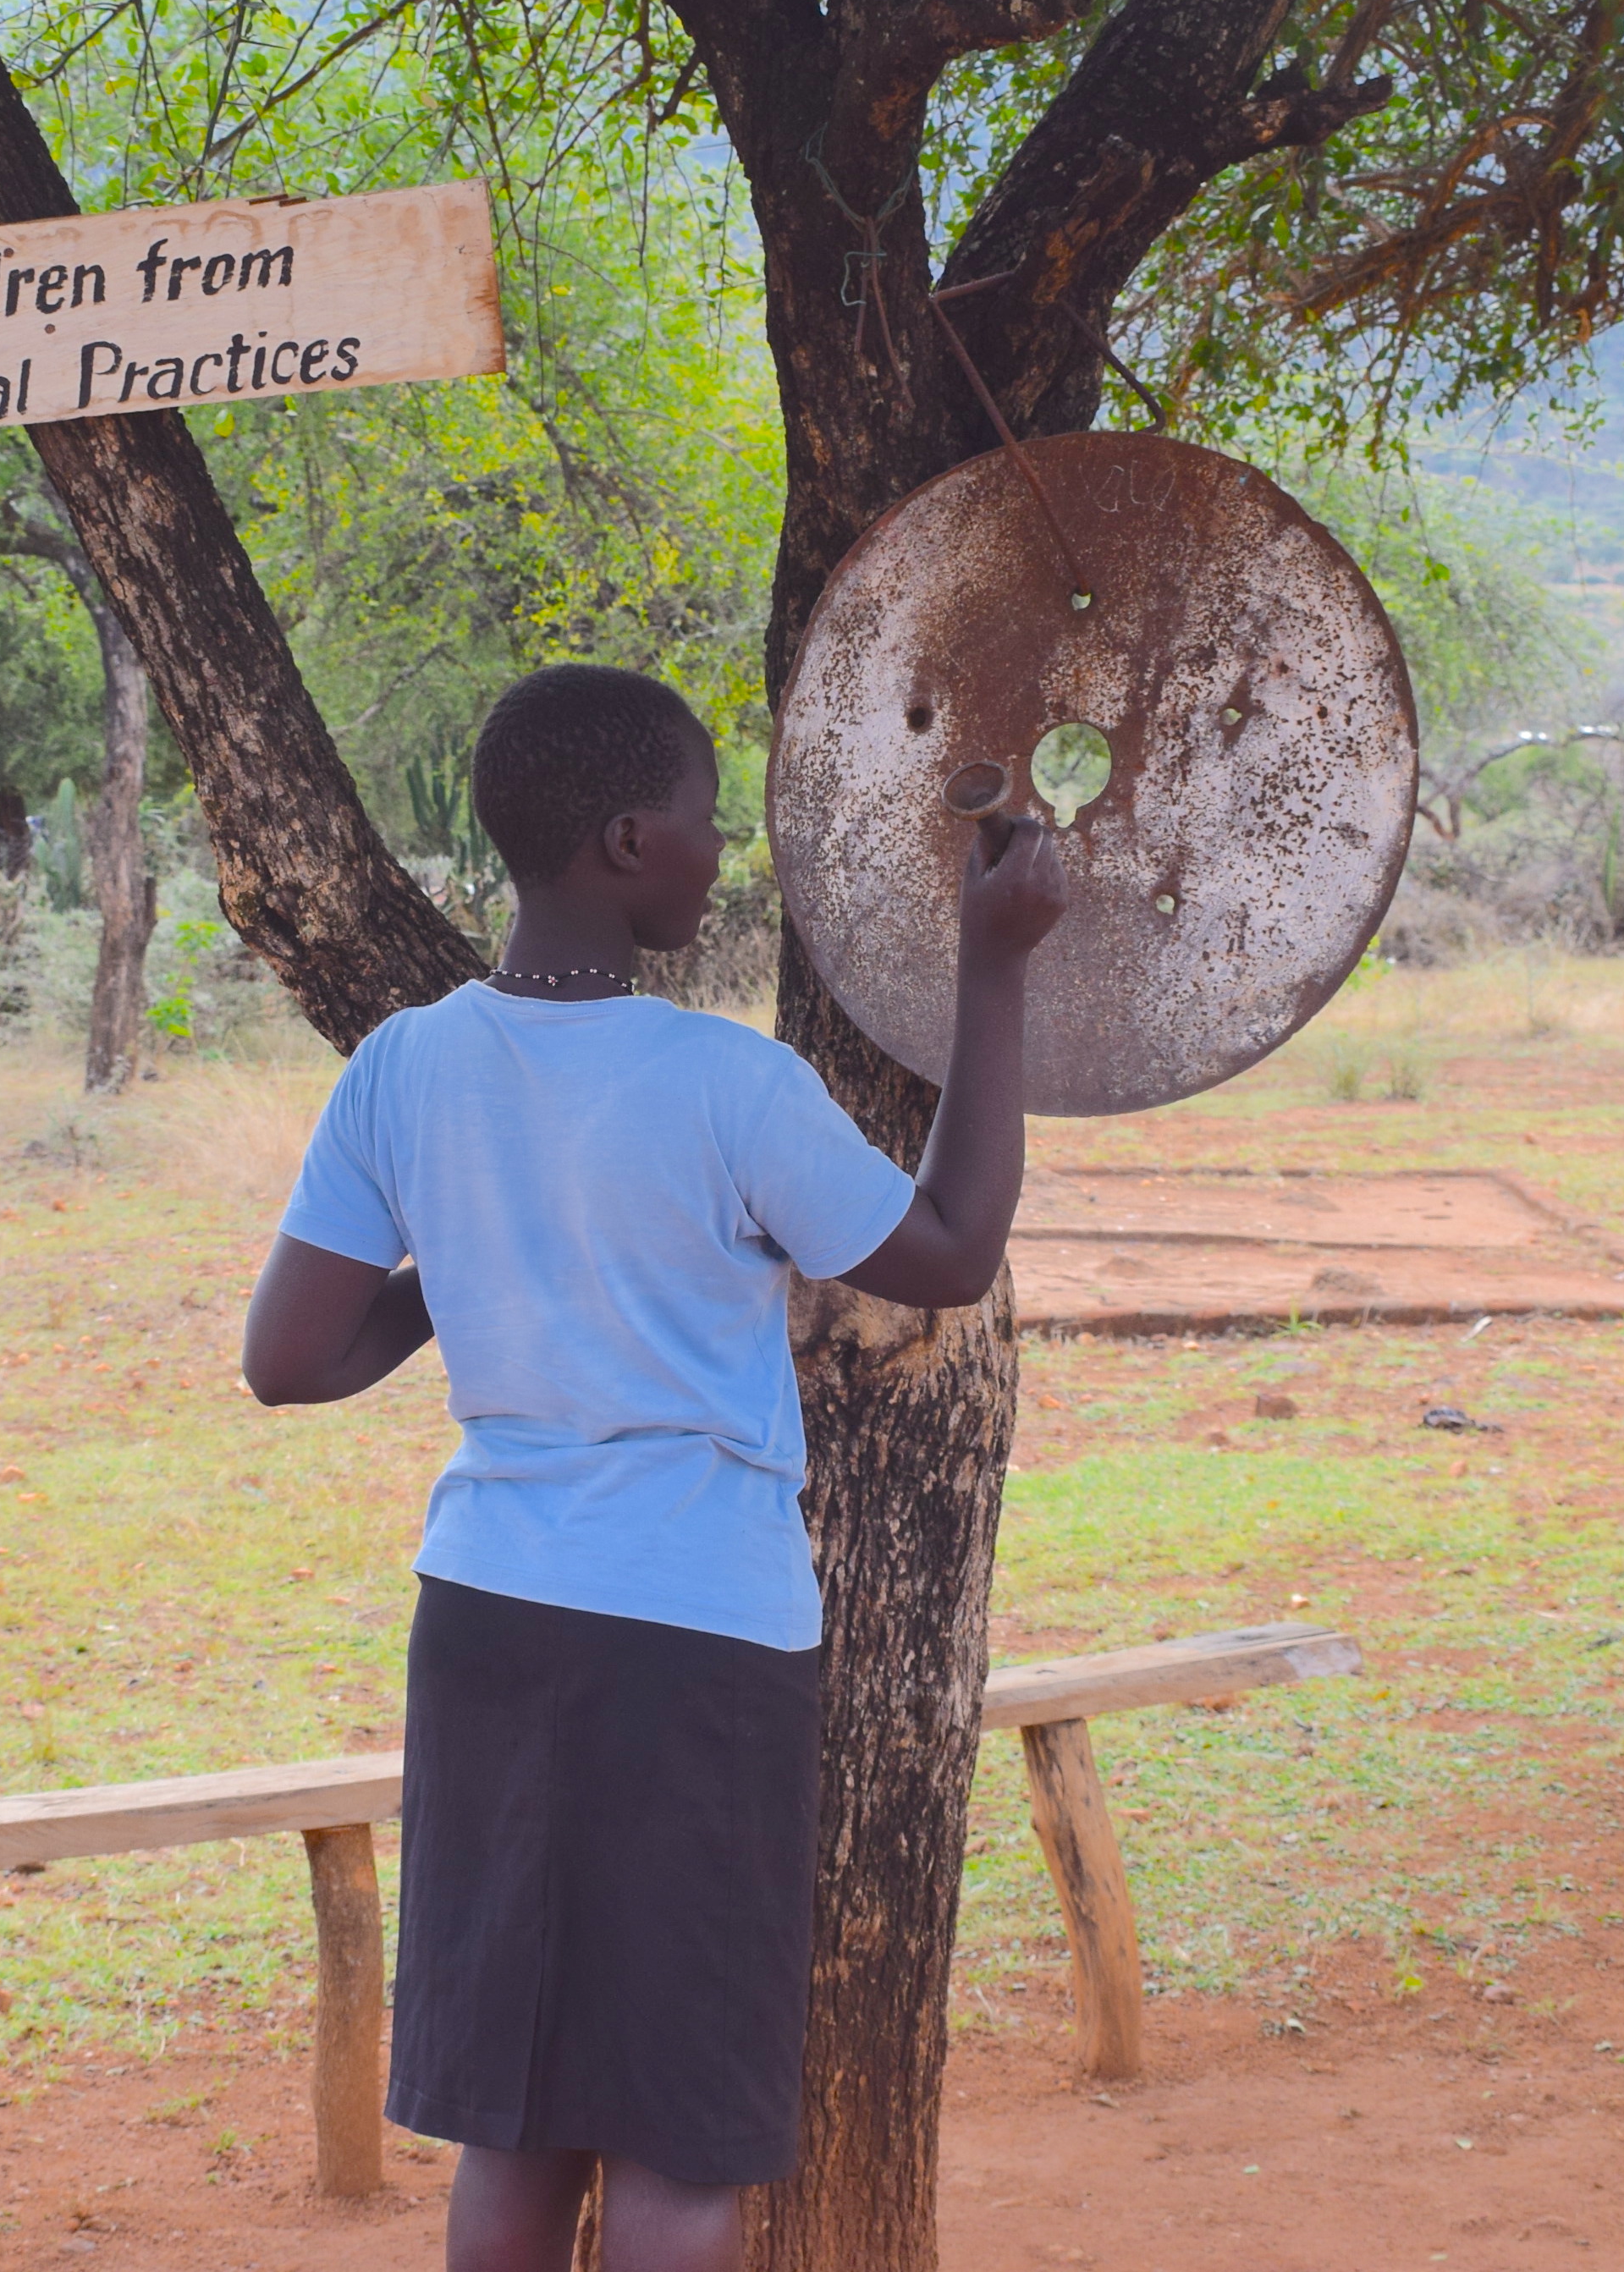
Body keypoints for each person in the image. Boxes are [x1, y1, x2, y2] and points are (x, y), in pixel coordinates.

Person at [240, 663, 1068, 2272]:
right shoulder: (727, 1084)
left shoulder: (406, 1069)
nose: (715, 853)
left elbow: (292, 1357)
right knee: (684, 2122)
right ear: (627, 839)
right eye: (699, 822)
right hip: (691, 1641)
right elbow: (953, 1251)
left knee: (523, 2111)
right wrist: (995, 967)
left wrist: (489, 1249)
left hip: (485, 1620)